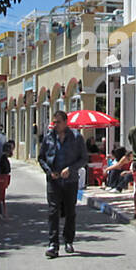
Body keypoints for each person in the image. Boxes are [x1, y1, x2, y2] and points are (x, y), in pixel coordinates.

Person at [38, 110, 87, 257]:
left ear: (66, 122)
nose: (55, 125)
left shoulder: (76, 138)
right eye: (54, 122)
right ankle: (53, 244)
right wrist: (49, 171)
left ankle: (69, 240)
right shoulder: (48, 138)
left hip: (70, 180)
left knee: (70, 211)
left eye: (58, 122)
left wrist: (71, 169)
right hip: (54, 181)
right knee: (53, 212)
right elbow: (41, 158)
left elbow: (84, 158)